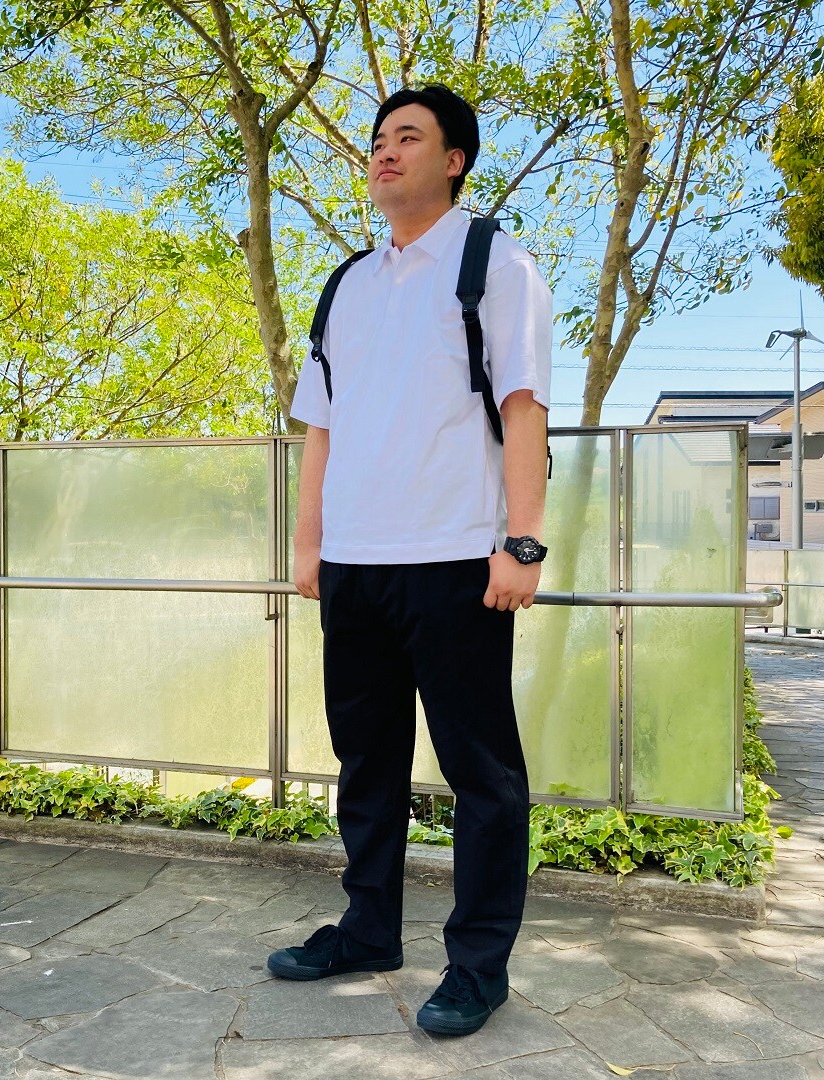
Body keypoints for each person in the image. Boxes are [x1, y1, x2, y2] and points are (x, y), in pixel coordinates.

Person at [267, 83, 552, 1038]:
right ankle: (367, 930)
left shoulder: (494, 262)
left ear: (454, 160)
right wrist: (309, 543)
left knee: (482, 776)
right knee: (366, 763)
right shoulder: (348, 282)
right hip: (354, 564)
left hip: (455, 559)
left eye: (409, 137)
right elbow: (321, 427)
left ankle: (477, 966)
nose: (385, 152)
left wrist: (522, 541)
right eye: (379, 139)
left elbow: (522, 405)